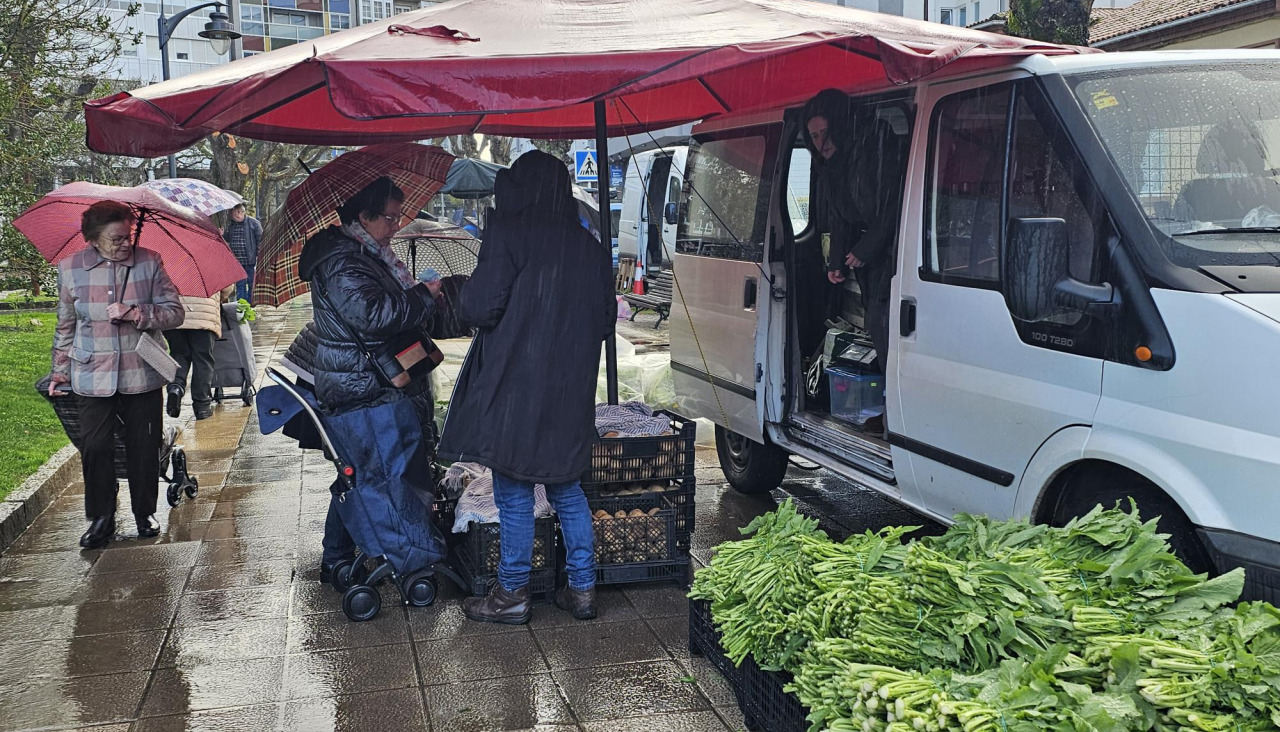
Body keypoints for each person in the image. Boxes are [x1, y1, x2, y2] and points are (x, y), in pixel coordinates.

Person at [438, 150, 616, 624]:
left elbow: (477, 307)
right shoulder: (593, 249)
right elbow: (605, 320)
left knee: (514, 491)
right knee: (567, 490)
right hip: (568, 390)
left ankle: (512, 593)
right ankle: (581, 590)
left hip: (515, 390)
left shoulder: (510, 235)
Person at [296, 177, 444, 582]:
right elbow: (374, 315)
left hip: (364, 382)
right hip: (361, 387)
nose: (397, 226)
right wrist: (423, 296)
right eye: (390, 218)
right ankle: (407, 560)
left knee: (357, 473)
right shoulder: (345, 260)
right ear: (363, 216)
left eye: (399, 216)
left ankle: (336, 557)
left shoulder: (365, 252)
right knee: (379, 477)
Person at [49, 201, 185, 550]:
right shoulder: (70, 269)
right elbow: (66, 326)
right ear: (94, 238)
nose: (125, 244)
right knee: (95, 447)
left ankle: (144, 513)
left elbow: (175, 313)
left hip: (140, 373)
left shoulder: (149, 262)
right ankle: (101, 518)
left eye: (127, 236)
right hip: (90, 374)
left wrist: (136, 312)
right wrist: (59, 372)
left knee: (143, 446)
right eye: (115, 239)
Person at [802, 89, 904, 431]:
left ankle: (897, 418)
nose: (820, 143)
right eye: (814, 136)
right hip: (871, 259)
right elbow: (842, 215)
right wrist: (837, 262)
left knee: (891, 336)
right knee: (879, 331)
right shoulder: (834, 164)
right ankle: (891, 413)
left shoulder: (877, 146)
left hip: (894, 253)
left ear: (841, 126)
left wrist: (866, 248)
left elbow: (895, 206)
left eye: (825, 133)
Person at [164, 285, 235, 420]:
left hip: (173, 311)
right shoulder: (211, 262)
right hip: (204, 313)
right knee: (203, 359)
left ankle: (176, 387)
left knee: (178, 354)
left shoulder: (166, 263)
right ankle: (201, 406)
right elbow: (226, 286)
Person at [223, 203, 262, 302]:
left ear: (238, 212)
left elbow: (260, 241)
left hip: (251, 260)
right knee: (240, 284)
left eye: (231, 212)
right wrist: (222, 234)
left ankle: (251, 303)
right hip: (237, 261)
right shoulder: (231, 225)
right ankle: (242, 306)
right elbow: (227, 239)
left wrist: (259, 256)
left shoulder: (253, 223)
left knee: (251, 283)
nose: (230, 215)